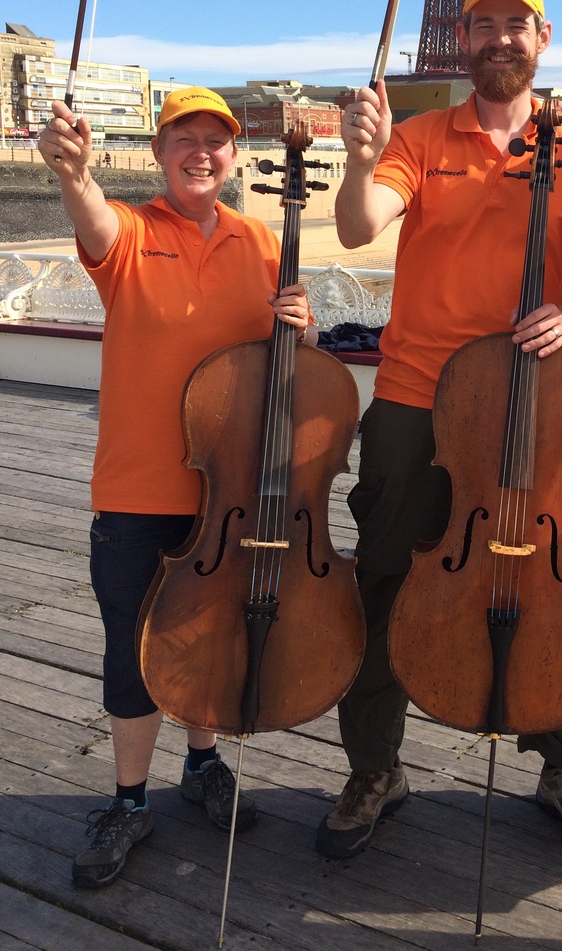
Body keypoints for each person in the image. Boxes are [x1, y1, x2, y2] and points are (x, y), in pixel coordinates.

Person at [318, 0, 562, 864]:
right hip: (416, 398)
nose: (500, 39)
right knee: (384, 575)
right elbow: (358, 226)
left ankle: (560, 759)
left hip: (526, 404)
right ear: (465, 37)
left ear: (543, 37)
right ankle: (375, 765)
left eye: (515, 25)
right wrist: (361, 160)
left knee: (537, 581)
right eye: (483, 24)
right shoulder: (420, 136)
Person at [39, 87, 315, 889]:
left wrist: (303, 323)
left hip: (229, 493)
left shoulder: (263, 240)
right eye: (185, 139)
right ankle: (129, 798)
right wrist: (73, 172)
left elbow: (286, 357)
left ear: (235, 157)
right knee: (133, 645)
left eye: (217, 141)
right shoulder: (130, 232)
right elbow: (89, 212)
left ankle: (202, 765)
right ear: (160, 154)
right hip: (136, 487)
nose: (203, 152)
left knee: (210, 635)